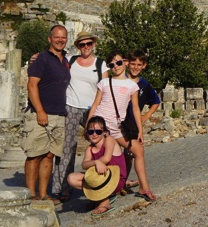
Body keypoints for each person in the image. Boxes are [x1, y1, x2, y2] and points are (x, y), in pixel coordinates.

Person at [87, 51, 157, 201]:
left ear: (125, 62)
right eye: (111, 64)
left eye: (118, 62)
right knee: (105, 157)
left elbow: (136, 109)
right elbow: (95, 104)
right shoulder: (104, 82)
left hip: (117, 127)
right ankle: (102, 194)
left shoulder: (132, 85)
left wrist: (140, 131)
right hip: (102, 126)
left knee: (138, 150)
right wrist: (88, 125)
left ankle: (144, 188)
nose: (116, 66)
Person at [50, 30, 107, 202]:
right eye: (82, 44)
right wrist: (35, 58)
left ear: (94, 44)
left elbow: (104, 88)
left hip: (92, 109)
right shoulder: (70, 61)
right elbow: (51, 63)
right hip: (71, 107)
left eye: (89, 43)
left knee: (103, 144)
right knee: (66, 149)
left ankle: (107, 183)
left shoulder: (101, 64)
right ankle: (62, 189)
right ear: (78, 46)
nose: (86, 47)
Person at [23, 24, 71, 202]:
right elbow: (31, 85)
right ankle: (30, 195)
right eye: (57, 37)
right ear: (49, 39)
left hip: (59, 115)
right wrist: (40, 111)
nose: (60, 40)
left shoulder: (65, 60)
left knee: (49, 155)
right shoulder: (41, 59)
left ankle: (43, 194)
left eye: (63, 37)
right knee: (34, 155)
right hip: (40, 114)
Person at [67, 116, 126, 217]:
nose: (94, 134)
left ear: (104, 132)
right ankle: (99, 198)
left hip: (115, 179)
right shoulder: (90, 149)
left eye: (98, 131)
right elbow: (84, 164)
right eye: (91, 132)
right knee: (71, 178)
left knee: (98, 177)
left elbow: (106, 158)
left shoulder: (109, 140)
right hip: (100, 179)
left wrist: (96, 162)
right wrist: (96, 162)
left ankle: (104, 201)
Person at [122, 51, 160, 193]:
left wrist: (146, 116)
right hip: (118, 123)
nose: (135, 67)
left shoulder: (144, 85)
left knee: (129, 155)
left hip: (133, 125)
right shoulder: (120, 80)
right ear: (127, 63)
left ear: (144, 66)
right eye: (133, 64)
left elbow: (156, 101)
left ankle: (124, 182)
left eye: (139, 64)